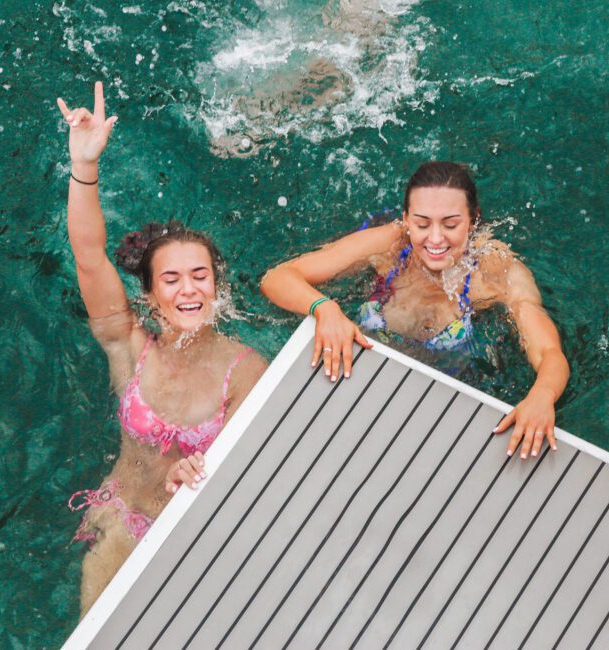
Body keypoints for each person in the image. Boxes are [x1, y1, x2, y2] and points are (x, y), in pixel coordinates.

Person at [57, 82, 268, 616]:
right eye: (170, 280)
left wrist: (200, 472)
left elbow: (251, 478)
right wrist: (85, 167)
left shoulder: (245, 371)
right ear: (150, 296)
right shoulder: (129, 346)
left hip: (194, 538)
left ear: (217, 287)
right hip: (122, 519)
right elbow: (88, 257)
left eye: (199, 276)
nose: (188, 289)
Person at [261, 161, 569, 461]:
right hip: (352, 384)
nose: (435, 239)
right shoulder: (389, 245)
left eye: (451, 225)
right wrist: (324, 308)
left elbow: (548, 352)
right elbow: (277, 278)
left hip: (443, 408)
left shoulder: (497, 272)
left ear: (473, 220)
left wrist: (542, 395)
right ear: (406, 219)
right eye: (422, 224)